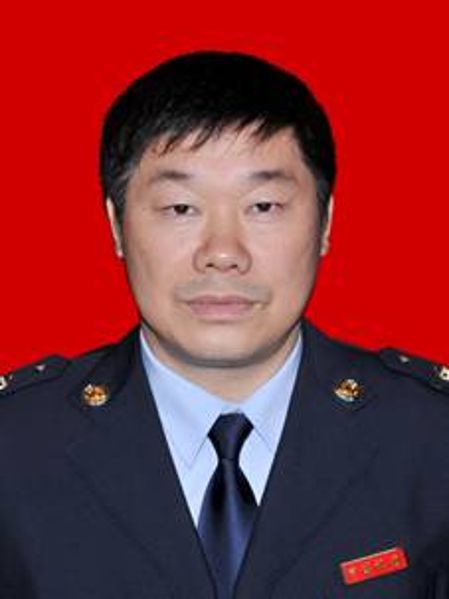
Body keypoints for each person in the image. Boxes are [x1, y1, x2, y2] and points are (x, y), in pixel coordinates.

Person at [0, 51, 448, 599]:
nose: (222, 253)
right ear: (116, 225)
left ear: (325, 222)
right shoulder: (16, 447)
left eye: (263, 206)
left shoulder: (430, 437)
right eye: (180, 208)